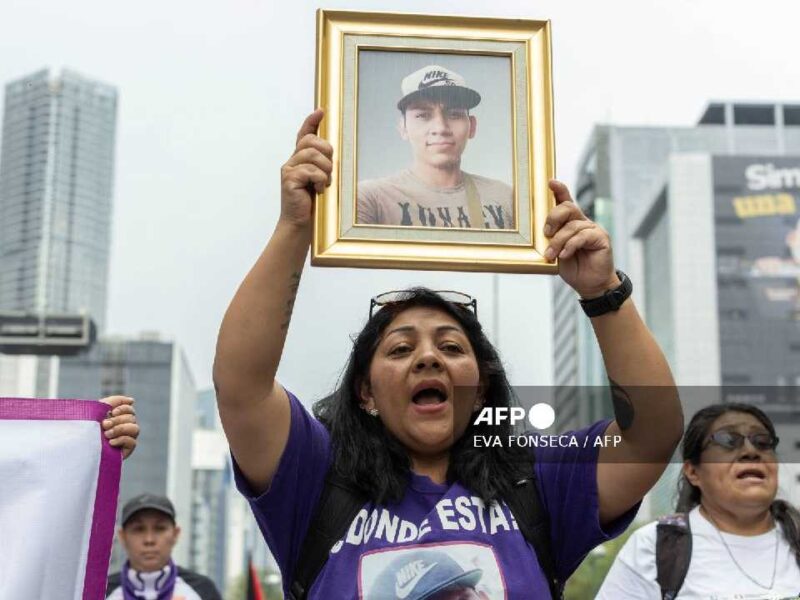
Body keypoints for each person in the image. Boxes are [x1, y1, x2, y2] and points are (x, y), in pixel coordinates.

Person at [213, 109, 683, 598]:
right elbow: (242, 387)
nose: (428, 358)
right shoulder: (314, 478)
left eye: (451, 347)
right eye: (400, 348)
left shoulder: (538, 481)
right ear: (366, 392)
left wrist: (604, 292)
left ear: (480, 390)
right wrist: (294, 227)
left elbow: (651, 437)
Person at [596, 403, 800, 599]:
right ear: (693, 472)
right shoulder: (652, 547)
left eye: (762, 441)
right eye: (728, 440)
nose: (751, 452)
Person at [357, 64, 514, 229]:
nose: (441, 128)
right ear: (403, 128)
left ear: (472, 126)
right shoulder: (371, 199)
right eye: (423, 115)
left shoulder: (506, 198)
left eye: (454, 114)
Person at [106, 494, 222, 600]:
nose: (149, 540)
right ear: (122, 536)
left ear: (175, 534)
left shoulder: (203, 590)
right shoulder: (102, 590)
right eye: (139, 529)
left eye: (159, 528)